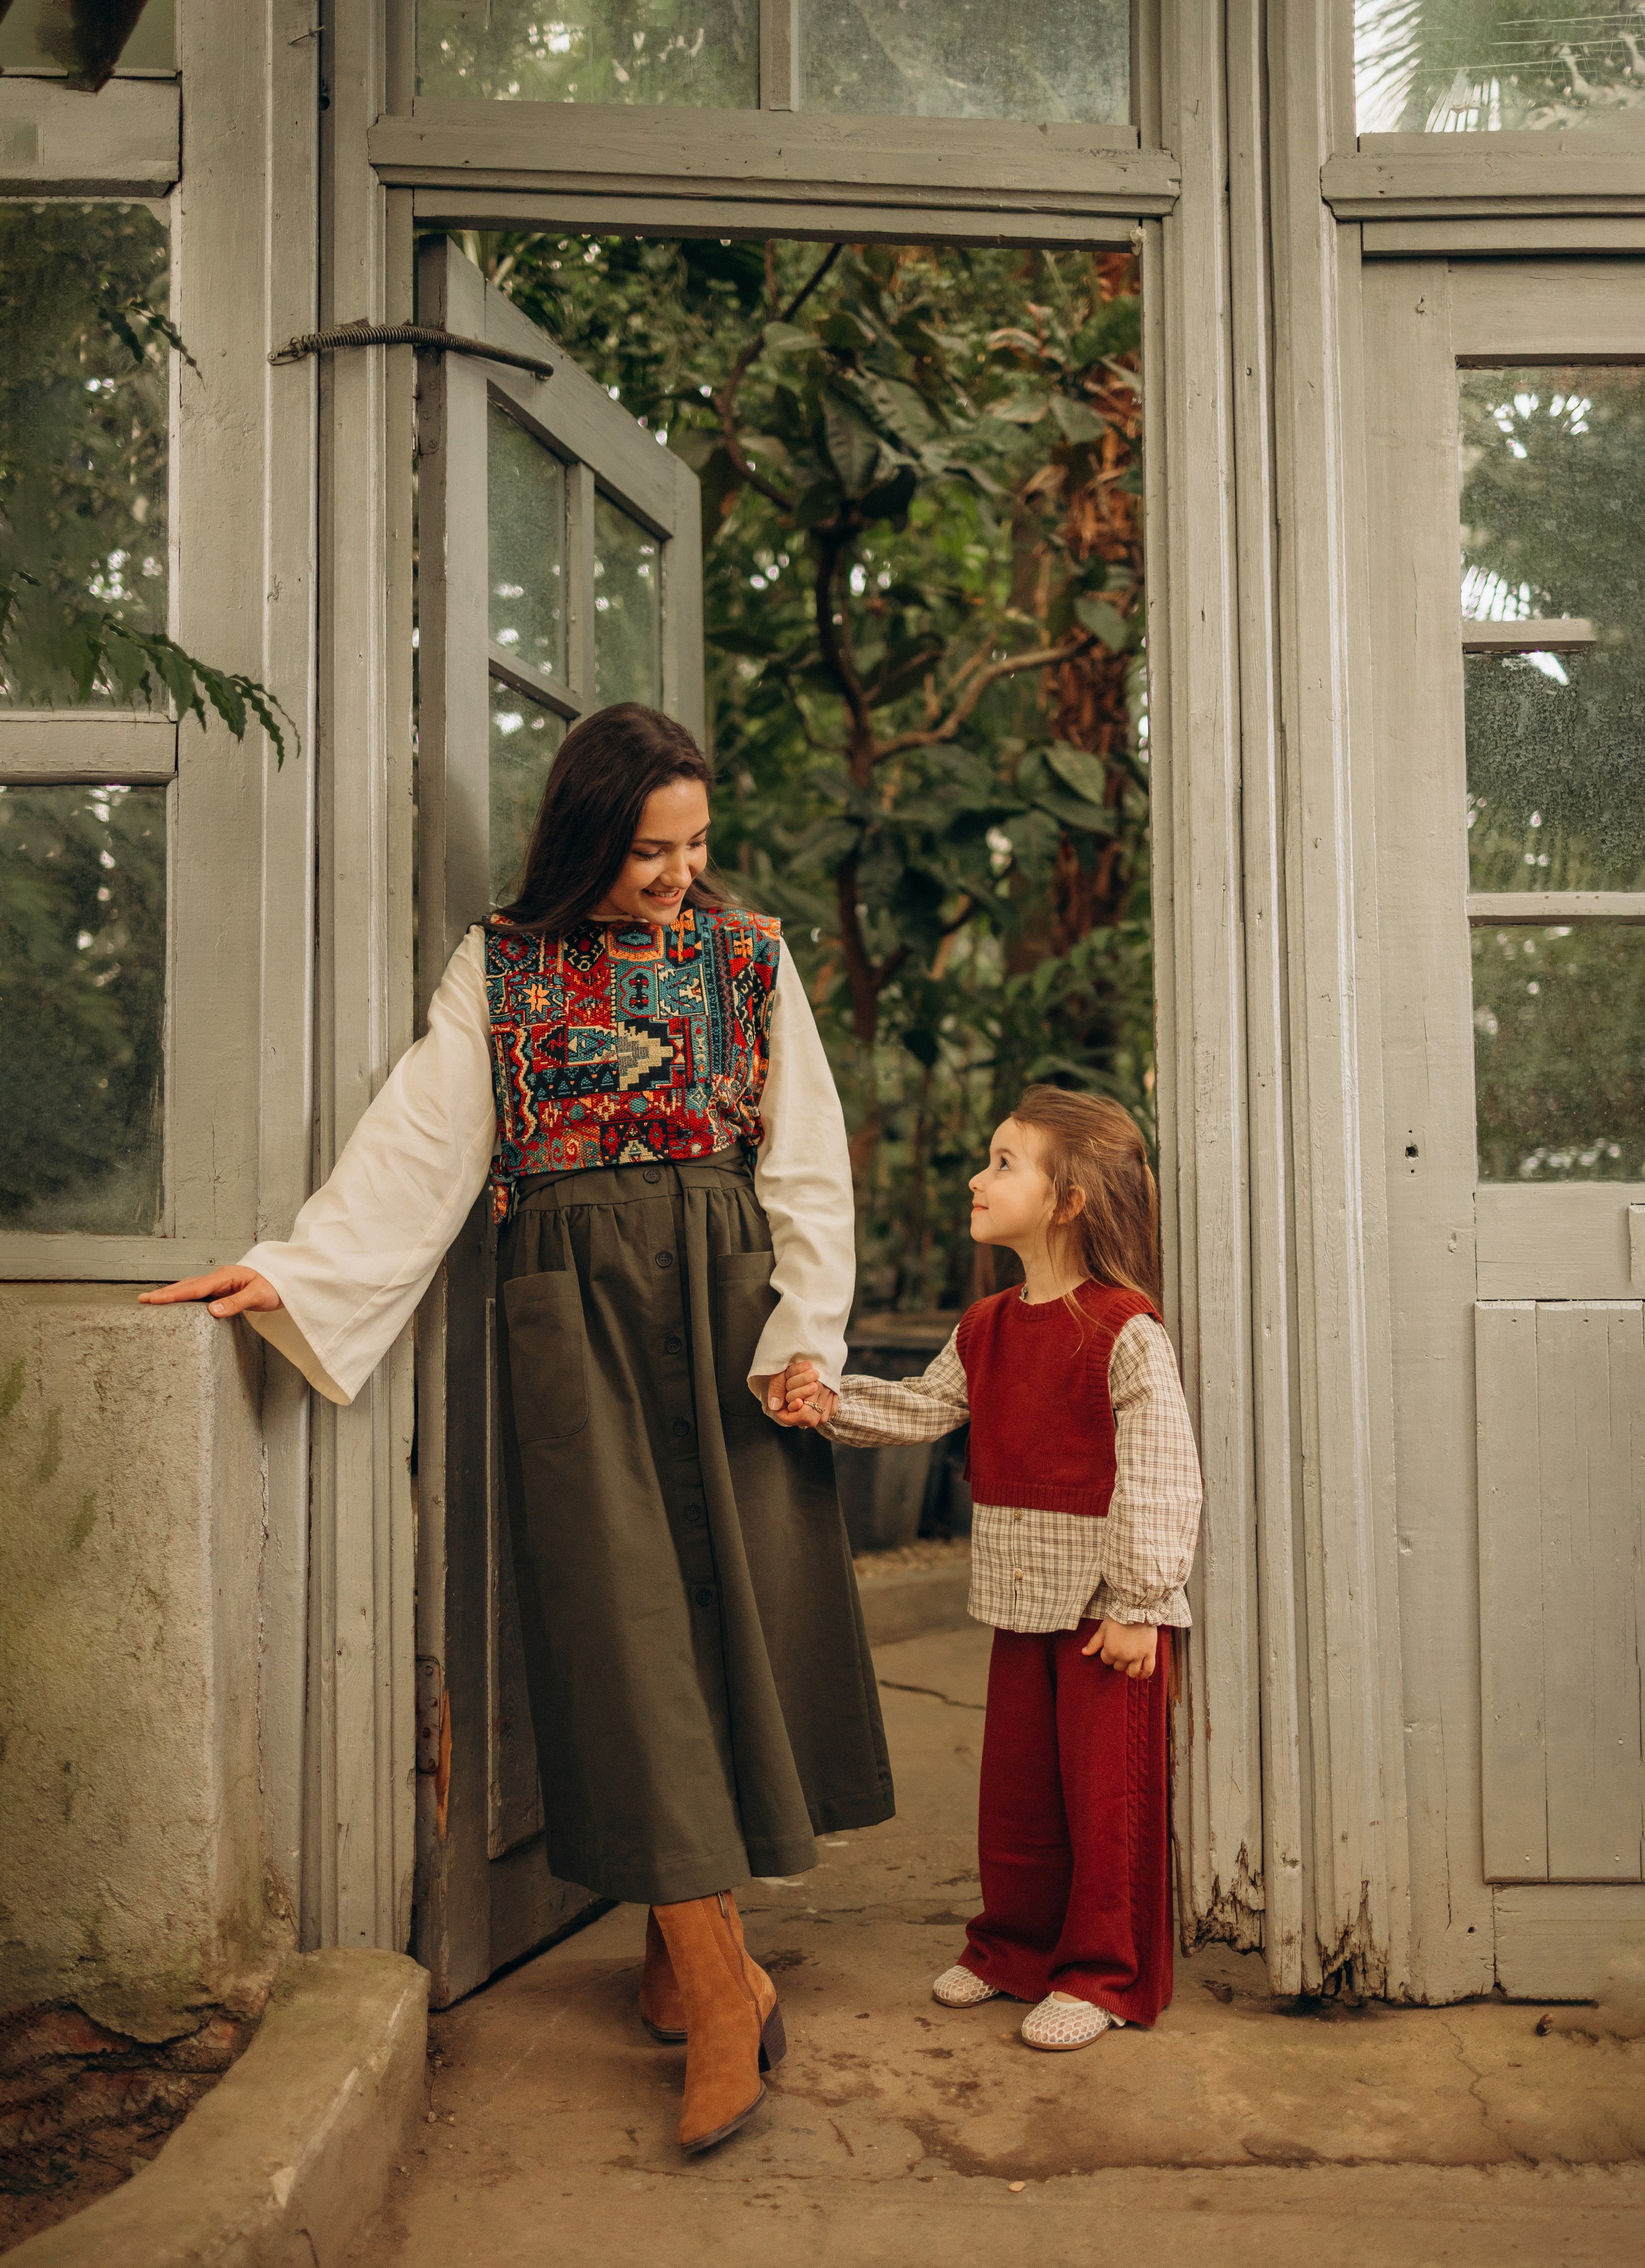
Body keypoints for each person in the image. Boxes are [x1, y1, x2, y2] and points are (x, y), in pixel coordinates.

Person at [141, 702, 892, 2154]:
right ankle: (719, 1975)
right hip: (569, 1300)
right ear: (584, 836)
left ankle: (692, 1962)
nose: (675, 875)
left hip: (729, 1293)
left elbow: (805, 1150)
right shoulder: (504, 961)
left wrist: (807, 1332)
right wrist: (292, 1267)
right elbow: (424, 1139)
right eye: (644, 850)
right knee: (620, 1626)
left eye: (692, 847)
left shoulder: (749, 956)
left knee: (730, 1616)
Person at [774, 1086, 1200, 2050]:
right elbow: (924, 1409)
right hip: (1022, 1602)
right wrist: (823, 1403)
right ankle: (1011, 1950)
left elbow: (1166, 1473)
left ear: (1069, 1200)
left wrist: (1138, 1602)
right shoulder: (988, 1325)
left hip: (1107, 1613)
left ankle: (1103, 1973)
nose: (979, 1175)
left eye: (1005, 1161)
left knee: (1106, 1804)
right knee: (1016, 1792)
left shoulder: (1125, 1328)